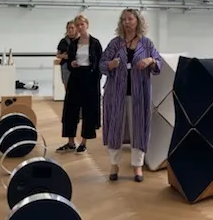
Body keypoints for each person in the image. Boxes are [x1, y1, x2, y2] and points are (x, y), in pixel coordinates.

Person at [100, 9, 162, 182]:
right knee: (115, 129)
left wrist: (150, 60)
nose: (126, 22)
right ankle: (114, 165)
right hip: (116, 94)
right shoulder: (115, 43)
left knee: (138, 129)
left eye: (130, 19)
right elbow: (102, 64)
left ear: (137, 21)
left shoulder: (146, 44)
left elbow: (158, 64)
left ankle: (137, 166)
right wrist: (111, 65)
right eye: (124, 19)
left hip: (139, 94)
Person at [58, 15, 103, 154]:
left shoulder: (95, 43)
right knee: (70, 109)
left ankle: (84, 142)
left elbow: (99, 63)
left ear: (87, 25)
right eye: (77, 25)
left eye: (81, 24)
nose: (79, 27)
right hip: (76, 77)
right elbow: (69, 61)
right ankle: (70, 142)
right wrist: (71, 63)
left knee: (89, 110)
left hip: (90, 78)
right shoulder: (73, 43)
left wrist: (95, 79)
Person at [56, 20, 78, 90]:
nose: (70, 30)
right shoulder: (63, 41)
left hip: (77, 65)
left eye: (72, 28)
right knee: (67, 86)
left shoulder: (80, 40)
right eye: (69, 28)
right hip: (66, 66)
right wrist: (63, 56)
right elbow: (58, 54)